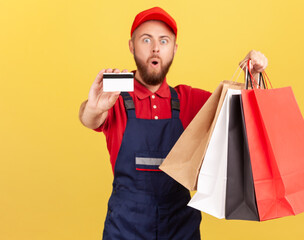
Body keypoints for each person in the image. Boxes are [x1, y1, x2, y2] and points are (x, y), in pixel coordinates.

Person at [79, 6, 268, 240]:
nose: (155, 48)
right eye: (146, 39)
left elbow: (243, 118)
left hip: (180, 229)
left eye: (164, 41)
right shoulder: (115, 96)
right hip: (125, 229)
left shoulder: (190, 100)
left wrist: (255, 76)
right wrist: (93, 108)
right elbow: (89, 118)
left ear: (174, 49)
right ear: (131, 46)